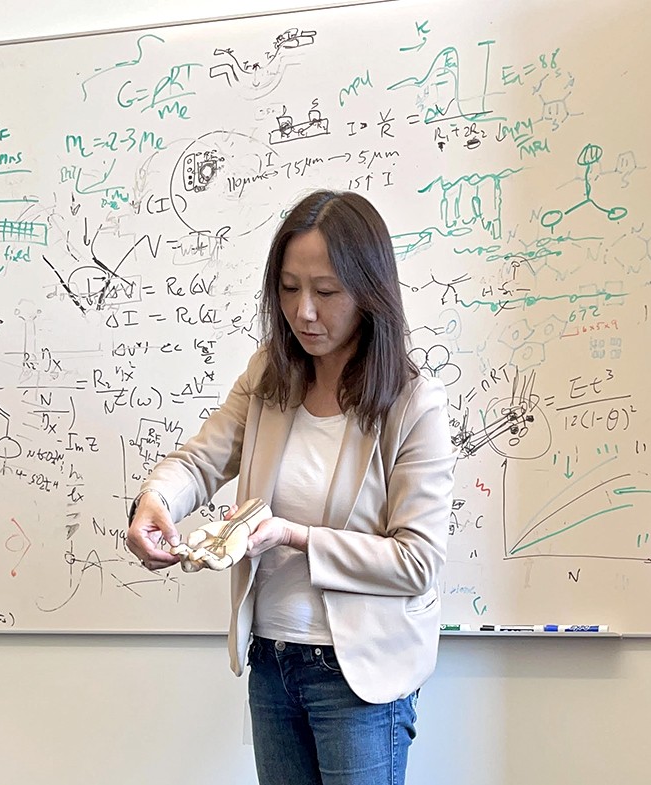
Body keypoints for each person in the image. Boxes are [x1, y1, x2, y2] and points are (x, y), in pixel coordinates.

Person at [126, 189, 455, 785]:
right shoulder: (268, 377)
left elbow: (418, 561)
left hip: (359, 677)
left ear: (370, 291)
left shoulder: (413, 405)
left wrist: (294, 536)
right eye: (288, 288)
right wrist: (155, 500)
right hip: (273, 663)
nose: (304, 311)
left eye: (326, 292)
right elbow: (202, 460)